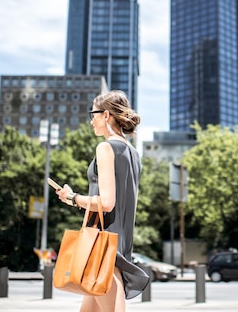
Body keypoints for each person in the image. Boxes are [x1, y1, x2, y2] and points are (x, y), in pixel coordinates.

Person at [56, 90, 150, 312]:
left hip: (102, 243)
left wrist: (72, 198)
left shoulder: (106, 147)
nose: (91, 121)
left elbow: (107, 202)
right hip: (118, 241)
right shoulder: (133, 153)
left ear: (106, 115)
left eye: (93, 114)